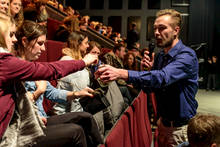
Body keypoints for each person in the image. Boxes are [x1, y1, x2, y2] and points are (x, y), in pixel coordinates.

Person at [96, 9, 199, 147]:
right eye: (155, 28)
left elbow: (162, 78)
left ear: (176, 30)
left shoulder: (187, 55)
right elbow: (152, 88)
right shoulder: (161, 56)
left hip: (180, 130)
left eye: (162, 28)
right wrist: (149, 71)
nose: (156, 32)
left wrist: (122, 73)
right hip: (163, 124)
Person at [0, 14, 98, 146]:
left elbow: (51, 92)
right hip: (21, 128)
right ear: (25, 41)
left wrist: (76, 94)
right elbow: (52, 70)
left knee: (85, 118)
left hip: (37, 119)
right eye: (11, 35)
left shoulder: (24, 64)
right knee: (76, 131)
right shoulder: (10, 64)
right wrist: (83, 62)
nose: (14, 40)